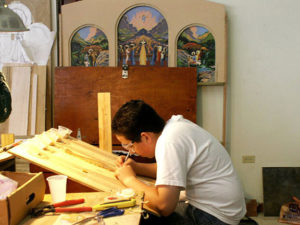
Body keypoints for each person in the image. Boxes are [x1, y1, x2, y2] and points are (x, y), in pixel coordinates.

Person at [112, 100, 246, 225]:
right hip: (221, 207)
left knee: (148, 218)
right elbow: (170, 171)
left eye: (129, 146)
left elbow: (164, 206)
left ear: (145, 137)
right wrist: (136, 167)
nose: (132, 151)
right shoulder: (173, 128)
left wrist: (129, 179)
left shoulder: (169, 142)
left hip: (215, 215)